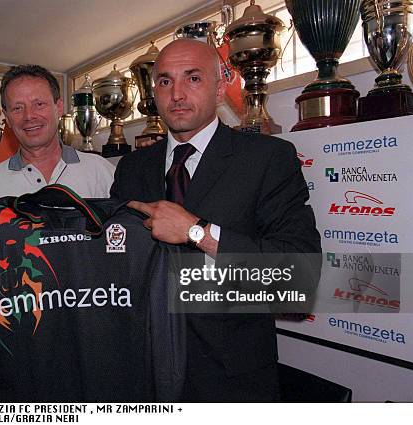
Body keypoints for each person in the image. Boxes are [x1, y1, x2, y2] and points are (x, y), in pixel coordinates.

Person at [110, 39, 321, 401]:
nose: (177, 93)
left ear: (220, 86)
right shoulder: (132, 168)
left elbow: (299, 282)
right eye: (164, 81)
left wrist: (198, 233)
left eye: (192, 78)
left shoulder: (267, 159)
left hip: (231, 384)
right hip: (143, 377)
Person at [0, 64, 115, 400]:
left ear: (59, 108)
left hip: (90, 343)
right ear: (5, 117)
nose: (30, 116)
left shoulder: (102, 173)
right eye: (18, 107)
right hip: (22, 346)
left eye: (40, 104)